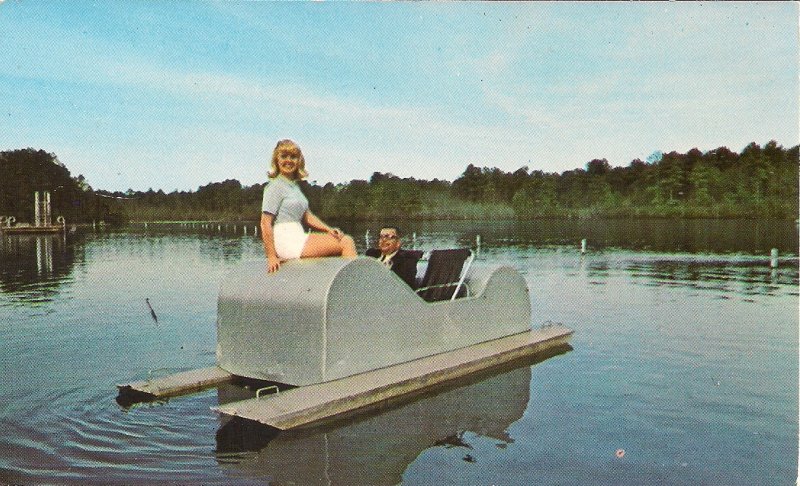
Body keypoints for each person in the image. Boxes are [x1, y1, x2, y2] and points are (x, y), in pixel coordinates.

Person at [260, 139, 356, 273]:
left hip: (298, 235)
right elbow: (265, 223)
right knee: (346, 242)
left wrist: (328, 229)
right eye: (284, 156)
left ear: (299, 161)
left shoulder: (294, 187)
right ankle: (351, 286)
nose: (289, 161)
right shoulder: (275, 187)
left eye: (293, 157)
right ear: (276, 160)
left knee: (341, 239)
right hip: (286, 240)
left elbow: (307, 216)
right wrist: (271, 256)